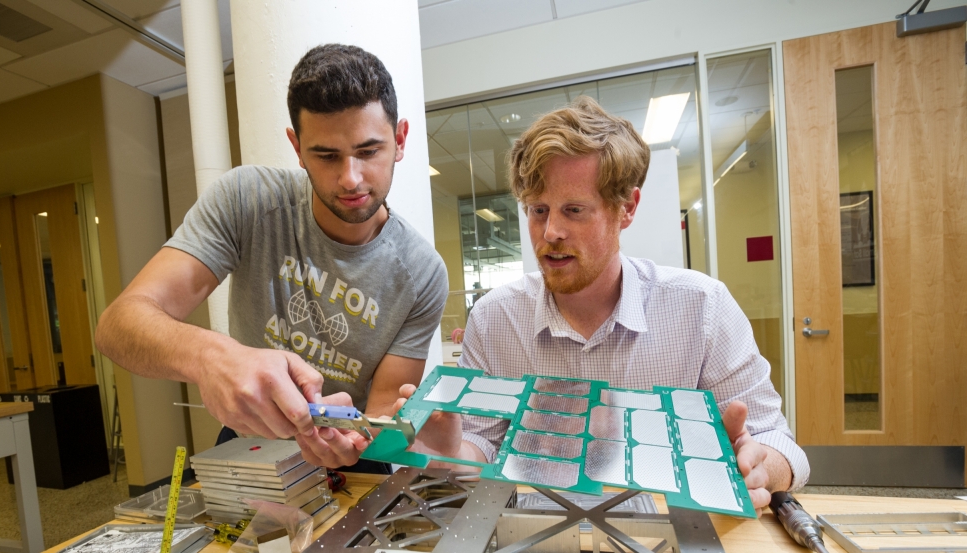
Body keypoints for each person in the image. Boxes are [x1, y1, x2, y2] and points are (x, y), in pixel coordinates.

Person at [391, 96, 809, 508]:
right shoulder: (495, 317)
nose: (550, 231)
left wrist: (759, 468)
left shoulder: (702, 308)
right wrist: (448, 453)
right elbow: (483, 446)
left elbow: (779, 446)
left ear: (626, 208)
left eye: (574, 210)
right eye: (538, 210)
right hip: (536, 536)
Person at [95, 44, 448, 473]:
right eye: (326, 155)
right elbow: (118, 325)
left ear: (400, 140)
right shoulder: (247, 200)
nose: (351, 178)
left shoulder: (421, 272)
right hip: (249, 443)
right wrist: (214, 357)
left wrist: (362, 441)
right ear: (297, 148)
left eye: (369, 151)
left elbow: (381, 417)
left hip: (348, 452)